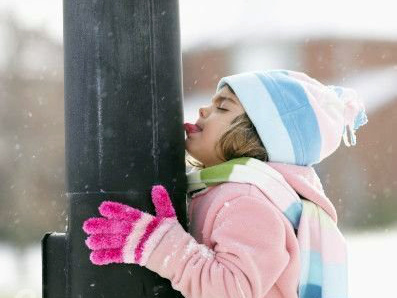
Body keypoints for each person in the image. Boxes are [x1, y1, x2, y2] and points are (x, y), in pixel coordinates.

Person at [82, 69, 368, 298]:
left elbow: (233, 289)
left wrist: (159, 245)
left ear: (256, 136)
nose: (204, 110)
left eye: (222, 107)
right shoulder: (227, 189)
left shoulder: (247, 200)